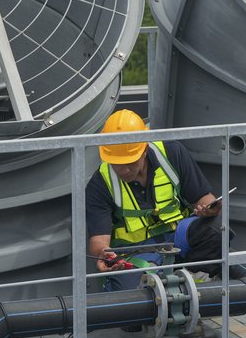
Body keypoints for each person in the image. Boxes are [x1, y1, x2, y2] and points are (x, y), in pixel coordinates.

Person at [85, 109, 224, 289]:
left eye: (130, 162)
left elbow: (204, 199)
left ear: (144, 150)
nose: (124, 170)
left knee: (215, 229)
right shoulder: (100, 184)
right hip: (135, 252)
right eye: (117, 164)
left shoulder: (173, 153)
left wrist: (210, 209)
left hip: (178, 238)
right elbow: (98, 242)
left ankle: (198, 282)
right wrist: (106, 255)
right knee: (127, 294)